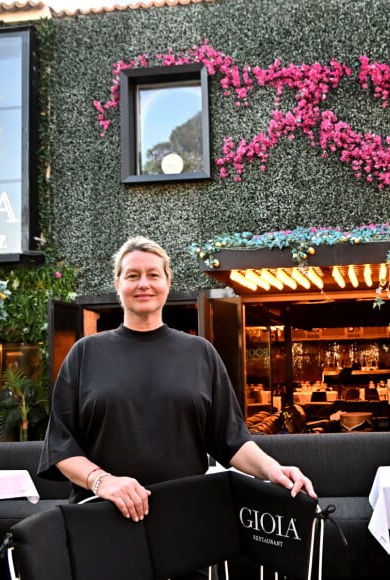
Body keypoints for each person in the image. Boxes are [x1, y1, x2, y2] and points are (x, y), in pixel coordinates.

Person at [38, 236, 316, 580]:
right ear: (118, 283)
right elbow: (62, 445)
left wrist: (274, 469)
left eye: (154, 274)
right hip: (102, 518)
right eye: (133, 275)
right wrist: (103, 483)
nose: (144, 283)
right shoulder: (85, 354)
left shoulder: (200, 353)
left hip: (184, 521)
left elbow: (230, 439)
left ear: (168, 282)